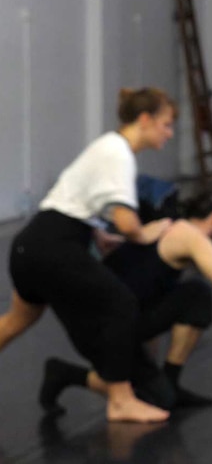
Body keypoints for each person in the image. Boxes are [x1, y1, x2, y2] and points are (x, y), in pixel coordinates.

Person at [0, 87, 176, 423]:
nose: (168, 133)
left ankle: (120, 396)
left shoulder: (106, 146)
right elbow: (127, 222)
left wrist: (96, 234)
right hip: (52, 247)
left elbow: (70, 195)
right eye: (166, 125)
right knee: (120, 304)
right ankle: (121, 400)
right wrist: (145, 232)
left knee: (16, 320)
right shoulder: (119, 153)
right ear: (144, 119)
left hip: (30, 246)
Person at [39, 185, 212, 412]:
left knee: (197, 294)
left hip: (114, 319)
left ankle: (170, 382)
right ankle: (63, 373)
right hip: (100, 328)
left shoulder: (168, 226)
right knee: (158, 399)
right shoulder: (190, 237)